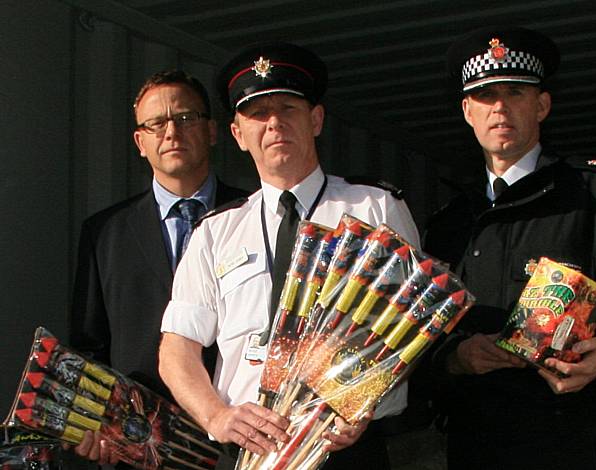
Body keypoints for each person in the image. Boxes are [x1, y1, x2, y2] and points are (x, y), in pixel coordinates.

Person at [158, 42, 420, 470]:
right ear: (238, 135)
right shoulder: (216, 232)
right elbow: (176, 350)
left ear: (315, 120)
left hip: (346, 450)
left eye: (288, 109)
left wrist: (365, 399)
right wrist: (217, 417)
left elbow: (413, 328)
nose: (275, 123)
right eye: (258, 114)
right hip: (248, 454)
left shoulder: (374, 209)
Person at [419, 26, 596, 470]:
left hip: (573, 447)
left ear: (541, 105)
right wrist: (456, 358)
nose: (499, 107)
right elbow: (418, 343)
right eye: (485, 97)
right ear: (467, 111)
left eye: (515, 93)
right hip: (475, 450)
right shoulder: (448, 225)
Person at [69, 69, 249, 466]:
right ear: (140, 141)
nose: (172, 132)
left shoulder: (258, 216)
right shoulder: (104, 233)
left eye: (185, 118)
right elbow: (89, 346)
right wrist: (95, 421)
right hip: (142, 448)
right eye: (156, 123)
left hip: (241, 439)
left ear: (212, 131)